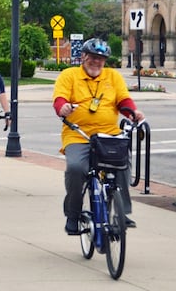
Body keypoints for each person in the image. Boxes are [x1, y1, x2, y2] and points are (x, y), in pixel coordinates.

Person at [52, 38, 145, 234]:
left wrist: (133, 113)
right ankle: (73, 214)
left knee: (122, 165)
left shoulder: (113, 76)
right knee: (76, 169)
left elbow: (123, 100)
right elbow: (59, 99)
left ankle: (122, 213)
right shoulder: (69, 75)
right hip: (78, 133)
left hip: (108, 134)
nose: (96, 62)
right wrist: (64, 108)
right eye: (93, 57)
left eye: (101, 59)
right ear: (83, 57)